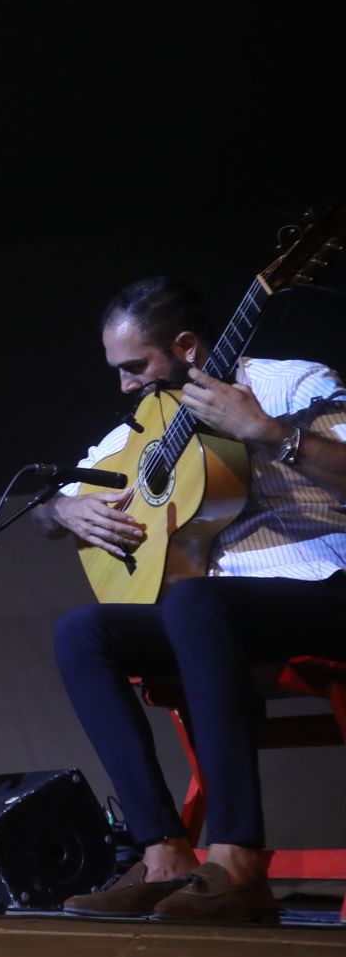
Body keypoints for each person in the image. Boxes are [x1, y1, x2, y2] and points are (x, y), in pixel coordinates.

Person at [33, 276, 346, 922]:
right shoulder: (150, 422)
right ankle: (164, 854)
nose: (122, 385)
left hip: (324, 590)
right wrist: (66, 512)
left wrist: (267, 432)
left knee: (193, 604)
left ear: (185, 346)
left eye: (134, 367)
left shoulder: (292, 383)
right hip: (219, 616)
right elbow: (50, 500)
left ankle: (237, 862)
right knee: (81, 632)